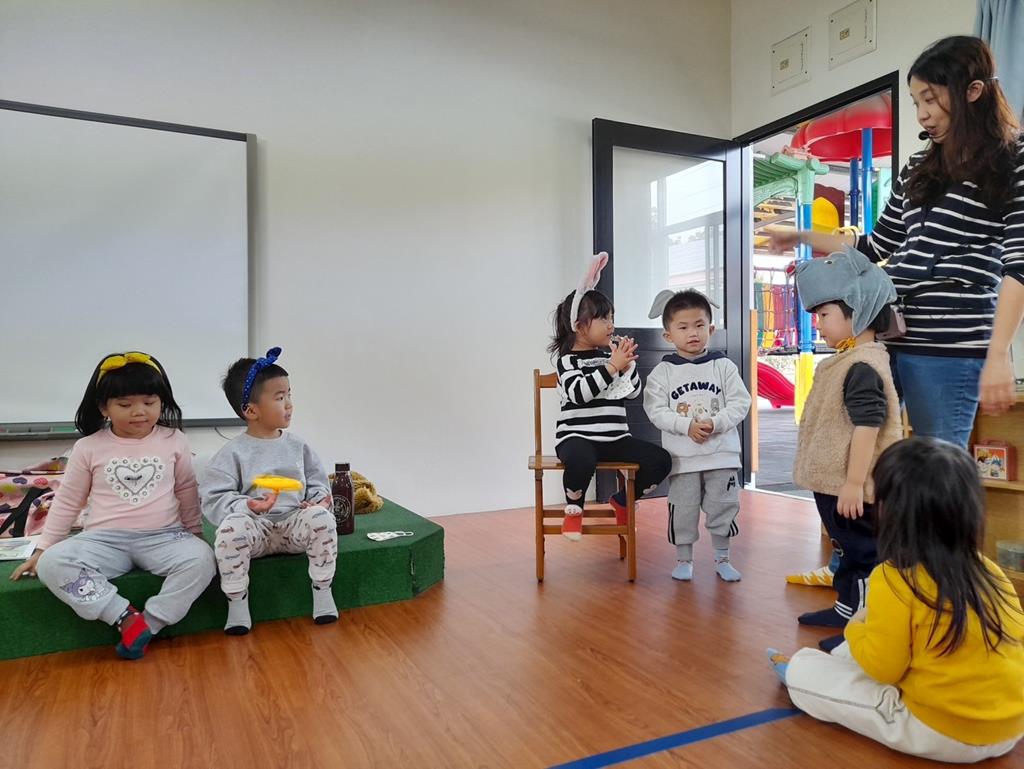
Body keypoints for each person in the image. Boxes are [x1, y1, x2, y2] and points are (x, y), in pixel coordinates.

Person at [771, 35, 1024, 442]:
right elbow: (875, 247)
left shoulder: (1013, 159)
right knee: (862, 454)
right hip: (889, 333)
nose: (922, 115)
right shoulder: (919, 166)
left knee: (936, 462)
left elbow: (1018, 267)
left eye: (931, 99)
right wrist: (802, 235)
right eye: (915, 102)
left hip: (951, 343)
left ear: (973, 91)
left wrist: (998, 355)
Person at [768, 437, 1024, 763]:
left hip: (943, 732)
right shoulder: (988, 569)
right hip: (1011, 728)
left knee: (810, 670)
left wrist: (854, 627)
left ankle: (796, 671)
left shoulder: (894, 578)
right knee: (859, 648)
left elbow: (883, 670)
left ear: (893, 513)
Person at [10, 352, 216, 660]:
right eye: (125, 404)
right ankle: (122, 616)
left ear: (161, 401)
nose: (139, 412)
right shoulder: (88, 447)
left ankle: (150, 623)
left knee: (202, 560)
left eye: (149, 402)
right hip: (103, 540)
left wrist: (195, 533)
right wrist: (43, 549)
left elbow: (186, 489)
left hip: (165, 537)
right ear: (104, 407)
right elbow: (68, 500)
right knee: (52, 564)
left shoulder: (175, 440)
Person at [791, 248, 903, 650]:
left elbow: (868, 425)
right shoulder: (847, 360)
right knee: (847, 550)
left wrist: (855, 482)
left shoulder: (863, 366)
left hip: (852, 487)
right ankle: (847, 608)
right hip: (834, 483)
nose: (818, 324)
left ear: (858, 309)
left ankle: (866, 627)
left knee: (863, 553)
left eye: (824, 315)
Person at [200, 347, 338, 635]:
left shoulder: (298, 446)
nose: (289, 404)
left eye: (289, 395)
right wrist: (248, 506)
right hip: (256, 529)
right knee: (230, 530)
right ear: (251, 411)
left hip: (293, 524)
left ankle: (323, 591)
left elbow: (318, 482)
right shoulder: (232, 453)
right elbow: (214, 499)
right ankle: (237, 603)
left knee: (322, 519)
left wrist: (317, 502)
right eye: (279, 397)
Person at [548, 253, 671, 540]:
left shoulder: (610, 357)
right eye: (603, 318)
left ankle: (623, 500)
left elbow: (634, 392)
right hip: (576, 438)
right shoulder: (567, 361)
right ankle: (574, 511)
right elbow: (579, 394)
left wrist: (627, 368)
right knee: (580, 461)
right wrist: (611, 367)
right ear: (579, 326)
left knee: (661, 460)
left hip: (616, 439)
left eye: (612, 318)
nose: (611, 325)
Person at [643, 289, 750, 581]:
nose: (693, 333)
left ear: (710, 329)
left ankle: (723, 558)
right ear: (668, 335)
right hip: (683, 459)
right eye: (683, 327)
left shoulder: (723, 366)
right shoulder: (662, 373)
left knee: (723, 507)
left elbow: (741, 402)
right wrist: (685, 426)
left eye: (699, 325)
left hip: (722, 457)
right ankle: (684, 559)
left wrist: (715, 423)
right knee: (683, 510)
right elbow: (655, 410)